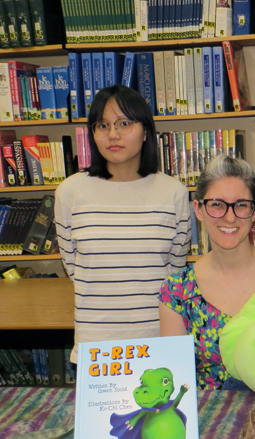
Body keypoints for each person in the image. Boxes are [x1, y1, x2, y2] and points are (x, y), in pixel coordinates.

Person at [54, 84, 191, 364]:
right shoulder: (70, 192)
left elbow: (175, 270)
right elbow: (73, 267)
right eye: (102, 125)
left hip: (158, 341)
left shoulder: (173, 192)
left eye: (124, 123)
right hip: (97, 346)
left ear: (146, 132)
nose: (113, 134)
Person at [159, 155, 255, 390]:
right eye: (217, 204)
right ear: (198, 209)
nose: (229, 217)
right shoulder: (177, 291)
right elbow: (174, 379)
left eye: (241, 205)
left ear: (254, 212)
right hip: (208, 421)